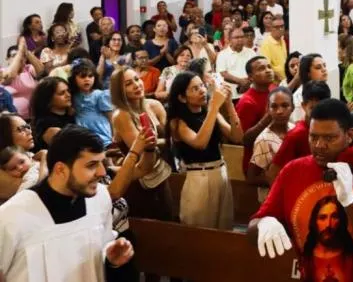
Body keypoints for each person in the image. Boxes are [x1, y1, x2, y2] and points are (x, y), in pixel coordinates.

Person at [250, 98, 353, 281]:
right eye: (313, 137)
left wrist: (350, 202)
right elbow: (252, 231)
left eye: (329, 138)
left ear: (349, 135)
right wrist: (263, 223)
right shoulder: (292, 172)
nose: (319, 145)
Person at [0, 126, 135, 281]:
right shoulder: (11, 216)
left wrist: (111, 261)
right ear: (61, 169)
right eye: (91, 165)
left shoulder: (101, 197)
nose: (102, 172)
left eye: (101, 163)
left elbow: (100, 255)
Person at [166, 71, 244, 229]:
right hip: (199, 176)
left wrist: (229, 104)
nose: (202, 90)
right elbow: (200, 143)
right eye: (195, 89)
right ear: (182, 97)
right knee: (201, 229)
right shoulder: (178, 122)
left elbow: (237, 137)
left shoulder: (210, 112)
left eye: (202, 85)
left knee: (224, 227)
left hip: (220, 171)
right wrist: (214, 107)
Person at [109, 67, 173, 221]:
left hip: (160, 173)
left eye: (137, 79)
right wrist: (167, 142)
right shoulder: (121, 115)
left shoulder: (154, 105)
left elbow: (172, 138)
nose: (136, 85)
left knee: (168, 220)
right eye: (128, 84)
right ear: (119, 91)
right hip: (138, 180)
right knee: (149, 226)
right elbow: (142, 149)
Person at [267, 81, 333, 180]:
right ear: (304, 105)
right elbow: (273, 173)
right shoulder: (297, 135)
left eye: (323, 108)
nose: (319, 113)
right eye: (313, 108)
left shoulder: (330, 130)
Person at [247, 87, 293, 203]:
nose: (279, 111)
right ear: (268, 109)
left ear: (292, 107)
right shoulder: (264, 139)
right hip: (272, 199)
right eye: (274, 106)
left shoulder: (294, 130)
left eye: (285, 106)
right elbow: (251, 178)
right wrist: (279, 181)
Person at [236, 56, 278, 173]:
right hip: (257, 166)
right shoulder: (247, 102)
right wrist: (268, 117)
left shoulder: (274, 90)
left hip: (275, 159)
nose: (268, 70)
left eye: (269, 67)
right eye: (261, 68)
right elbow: (243, 139)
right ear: (250, 77)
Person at [30, 76, 74, 151]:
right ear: (48, 99)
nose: (68, 95)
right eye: (62, 93)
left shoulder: (71, 115)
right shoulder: (46, 124)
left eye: (68, 91)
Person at [259, 16, 288, 83]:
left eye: (282, 26)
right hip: (275, 83)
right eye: (277, 27)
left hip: (284, 81)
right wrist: (280, 81)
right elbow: (266, 67)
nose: (280, 29)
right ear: (271, 28)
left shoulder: (282, 40)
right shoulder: (266, 44)